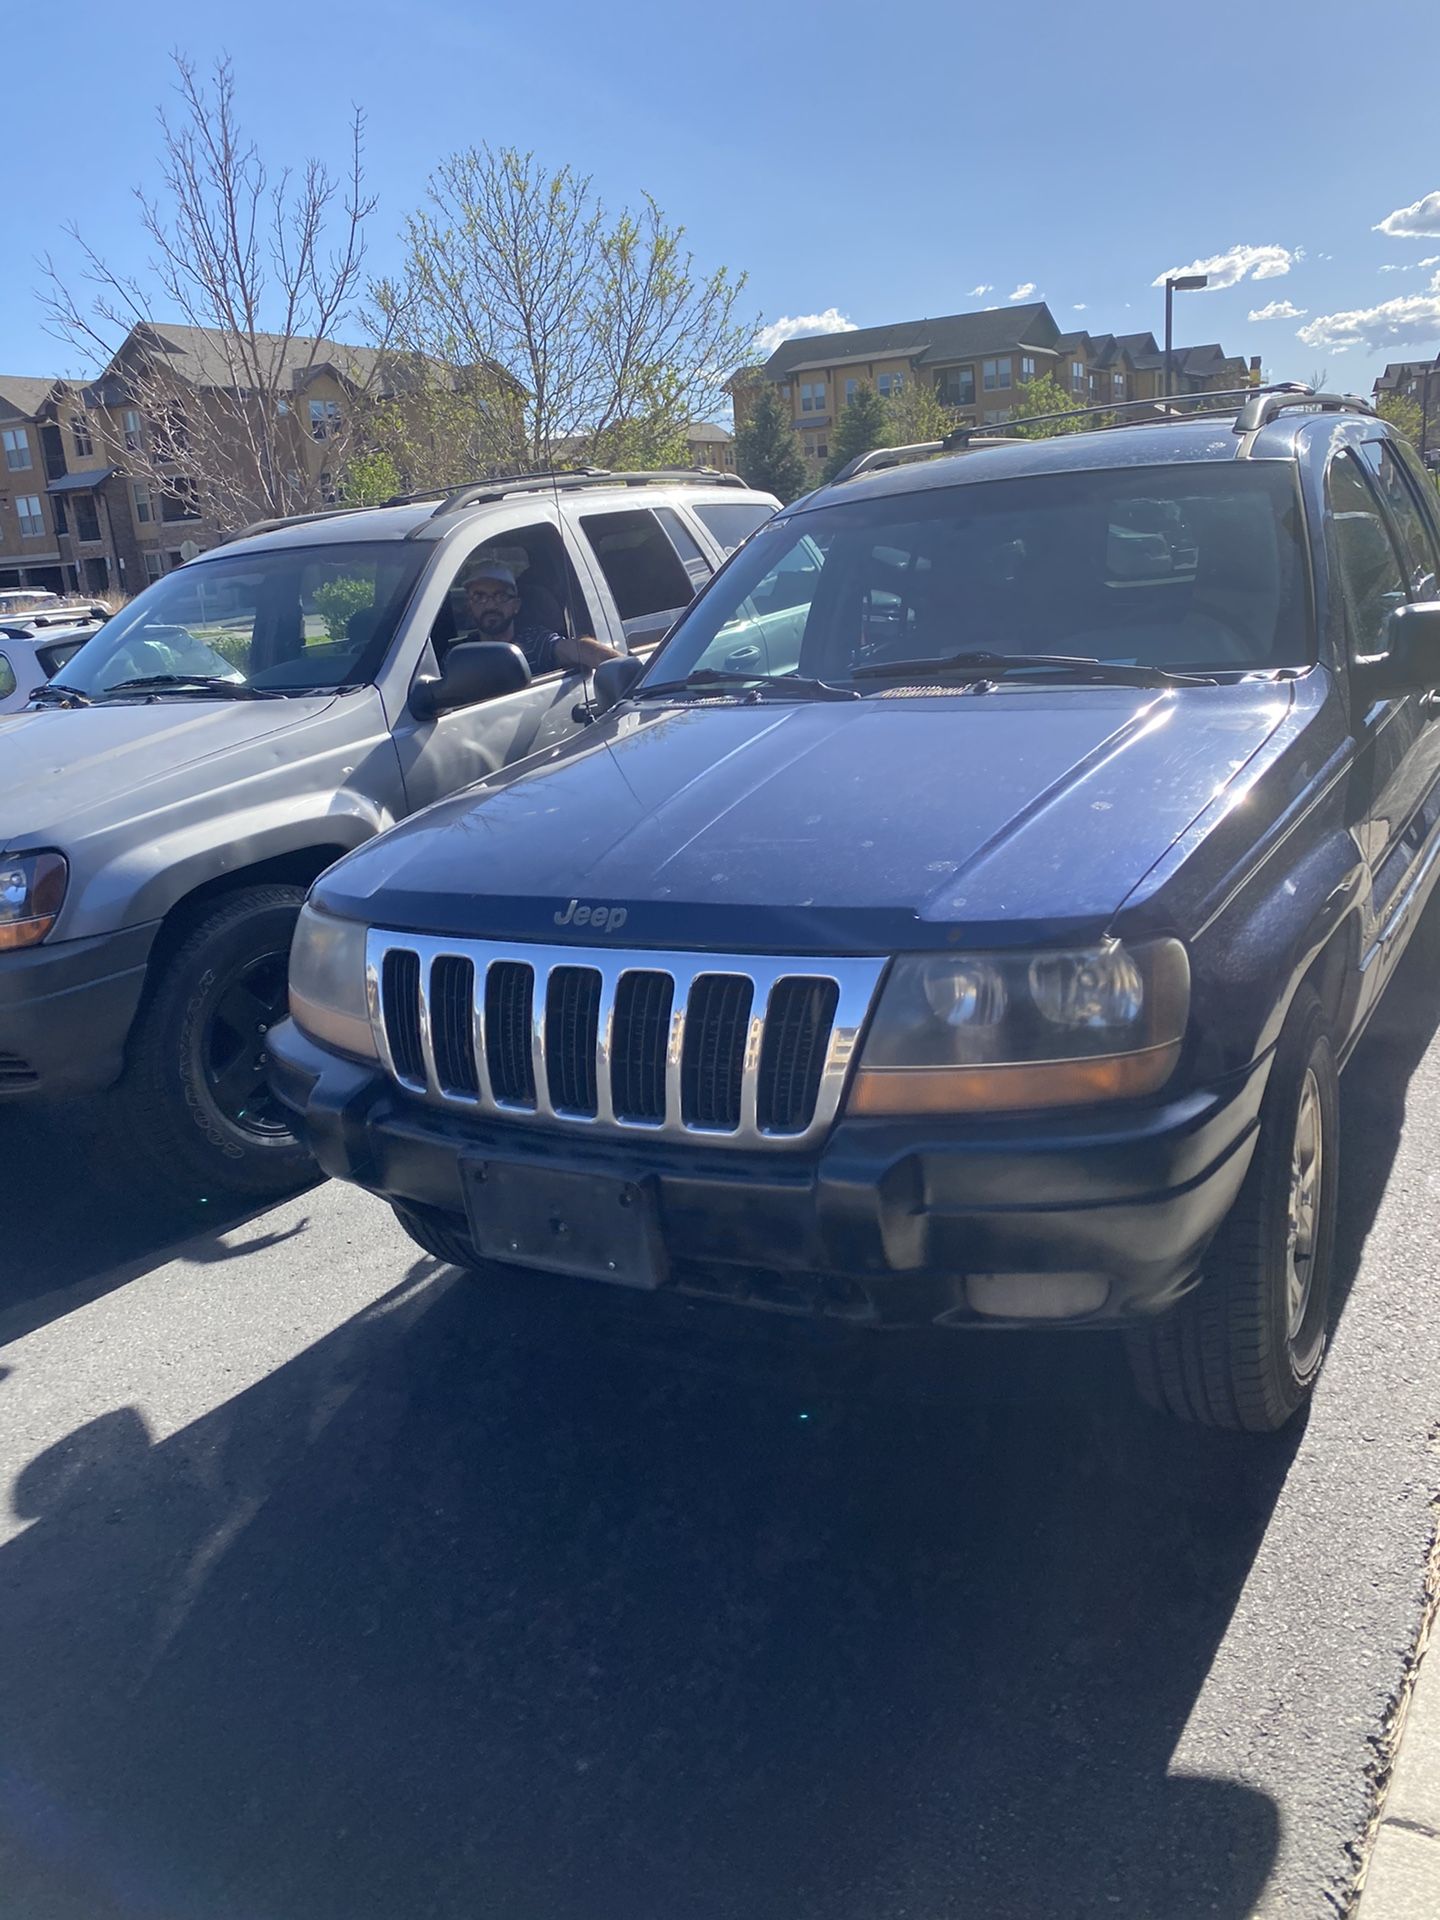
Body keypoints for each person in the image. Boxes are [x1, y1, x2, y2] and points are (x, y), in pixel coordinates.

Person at [460, 560, 619, 673]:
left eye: (500, 596)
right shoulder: (460, 655)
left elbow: (576, 649)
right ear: (469, 605)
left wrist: (622, 667)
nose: (490, 605)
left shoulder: (535, 641)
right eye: (479, 597)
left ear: (516, 605)